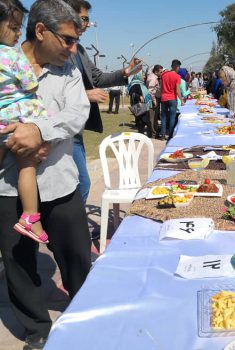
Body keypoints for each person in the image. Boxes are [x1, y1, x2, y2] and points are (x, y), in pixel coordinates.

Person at [0, 1, 91, 348]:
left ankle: (86, 315)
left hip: (59, 183)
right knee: (18, 264)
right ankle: (38, 329)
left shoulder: (68, 72)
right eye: (67, 40)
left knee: (77, 257)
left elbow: (76, 113)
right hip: (9, 188)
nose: (73, 49)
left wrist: (38, 130)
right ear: (40, 31)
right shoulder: (5, 62)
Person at [64, 0, 142, 203]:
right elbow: (54, 88)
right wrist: (85, 95)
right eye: (84, 19)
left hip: (75, 129)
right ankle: (69, 231)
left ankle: (71, 231)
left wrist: (125, 72)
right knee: (80, 184)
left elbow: (96, 77)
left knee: (78, 184)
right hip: (60, 132)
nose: (88, 25)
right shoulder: (58, 50)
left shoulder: (79, 50)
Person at [0, 0, 50, 243]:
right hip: (19, 117)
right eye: (14, 27)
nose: (19, 33)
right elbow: (31, 84)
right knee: (27, 166)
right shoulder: (12, 55)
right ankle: (31, 217)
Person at [160, 59, 183, 140]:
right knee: (172, 117)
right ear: (176, 67)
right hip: (172, 98)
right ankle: (170, 134)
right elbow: (177, 90)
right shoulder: (177, 76)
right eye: (179, 67)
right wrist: (182, 100)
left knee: (163, 117)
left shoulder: (163, 75)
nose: (179, 69)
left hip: (163, 98)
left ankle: (162, 135)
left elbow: (161, 88)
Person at [128, 72, 153, 137]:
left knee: (143, 121)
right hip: (139, 105)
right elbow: (132, 93)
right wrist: (139, 96)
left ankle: (145, 135)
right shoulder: (135, 84)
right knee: (144, 121)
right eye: (143, 75)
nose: (144, 77)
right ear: (138, 76)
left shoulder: (141, 84)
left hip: (145, 105)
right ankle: (145, 135)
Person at [146, 64, 163, 138]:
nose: (161, 73)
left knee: (152, 118)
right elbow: (151, 91)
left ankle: (151, 133)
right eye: (160, 72)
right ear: (156, 71)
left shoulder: (151, 76)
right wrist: (155, 101)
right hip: (153, 99)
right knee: (153, 118)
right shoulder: (153, 78)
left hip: (152, 99)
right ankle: (153, 134)